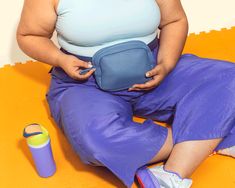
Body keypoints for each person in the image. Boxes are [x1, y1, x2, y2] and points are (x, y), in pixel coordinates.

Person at [16, 0, 235, 187]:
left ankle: (169, 175)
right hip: (85, 82)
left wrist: (166, 64)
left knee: (229, 78)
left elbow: (174, 20)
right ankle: (209, 136)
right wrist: (60, 59)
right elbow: (29, 35)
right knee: (95, 140)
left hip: (153, 68)